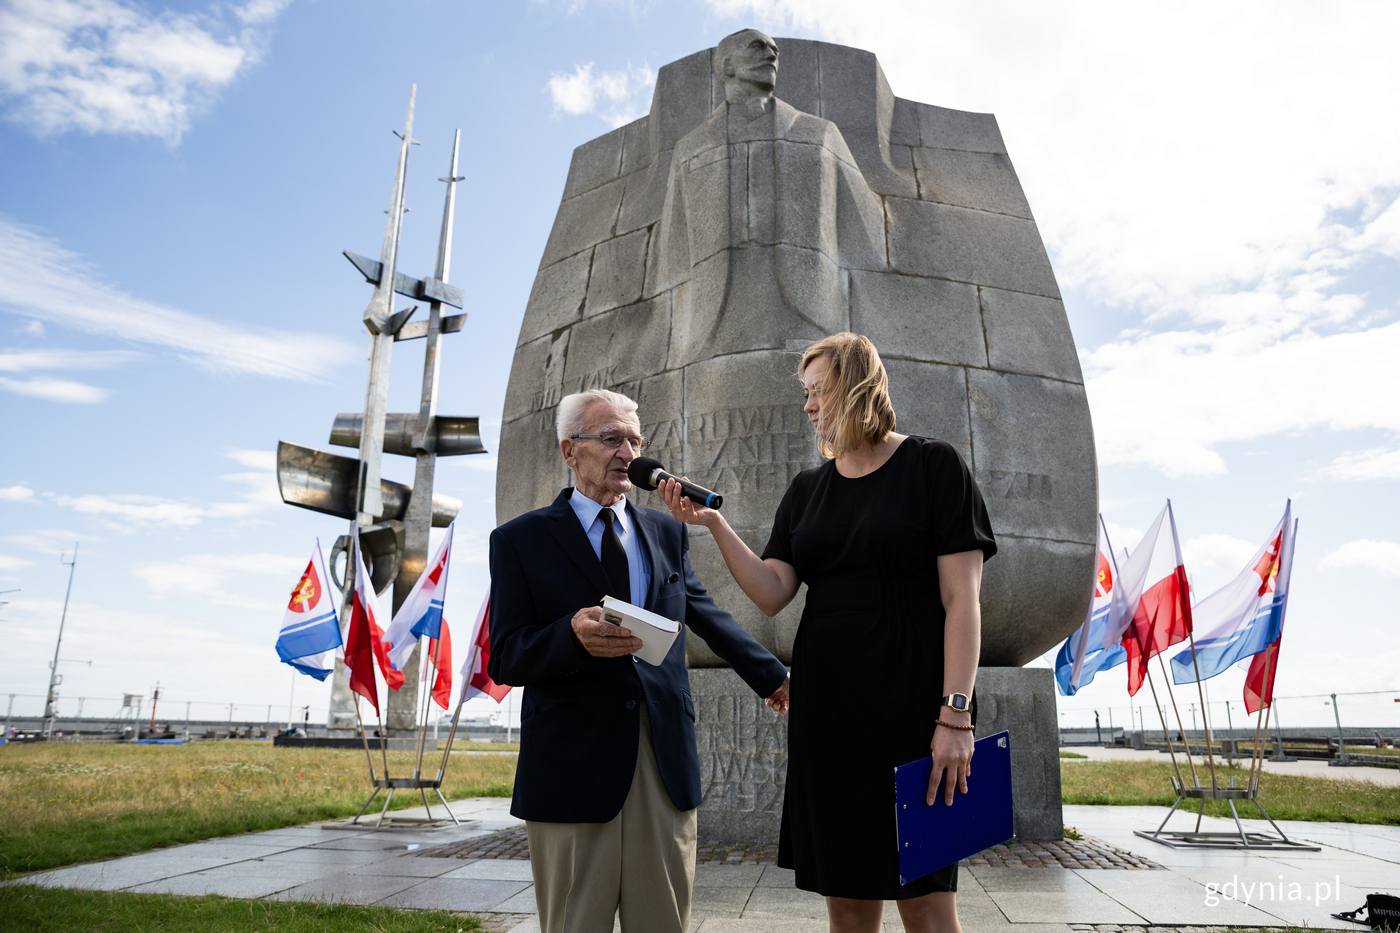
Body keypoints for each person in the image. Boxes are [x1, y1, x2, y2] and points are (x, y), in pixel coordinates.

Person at [660, 333, 996, 933]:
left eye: (820, 390)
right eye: (806, 393)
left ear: (859, 385)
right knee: (846, 903)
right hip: (829, 718)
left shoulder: (933, 465)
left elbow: (962, 601)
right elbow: (772, 592)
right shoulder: (806, 489)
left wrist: (955, 716)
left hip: (915, 710)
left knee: (926, 904)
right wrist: (713, 523)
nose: (809, 405)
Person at [488, 388, 791, 933]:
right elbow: (506, 657)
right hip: (572, 765)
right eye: (611, 439)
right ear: (569, 450)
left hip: (661, 755)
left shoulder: (666, 532)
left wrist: (774, 677)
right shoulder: (518, 540)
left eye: (635, 440)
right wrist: (570, 637)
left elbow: (704, 614)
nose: (628, 452)